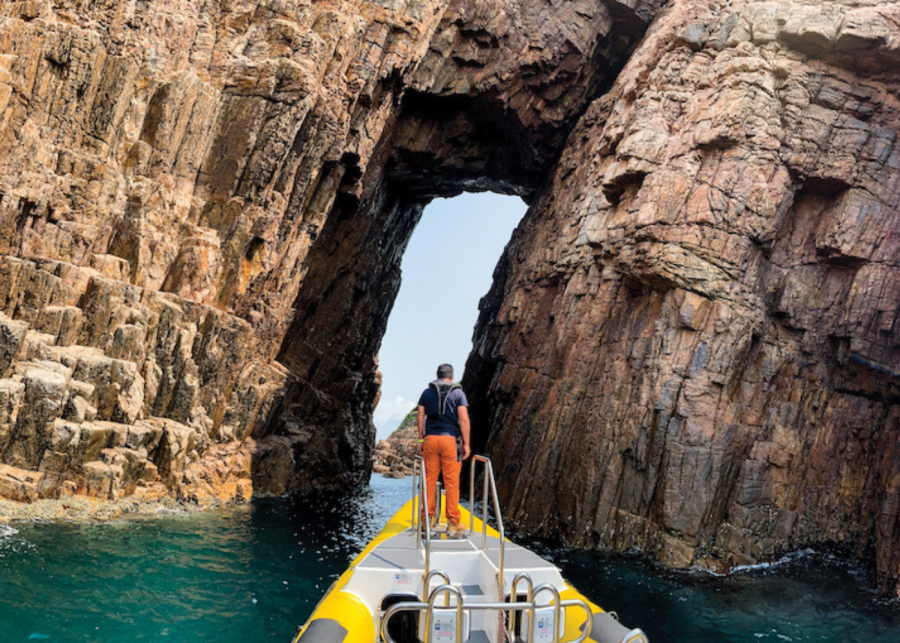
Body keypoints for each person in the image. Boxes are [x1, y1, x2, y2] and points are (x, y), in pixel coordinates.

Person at [417, 363, 471, 536]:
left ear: (437, 375)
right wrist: (466, 444)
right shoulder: (458, 393)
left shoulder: (427, 393)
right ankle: (453, 523)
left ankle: (426, 521)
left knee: (429, 481)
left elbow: (420, 416)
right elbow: (463, 419)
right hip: (450, 441)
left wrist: (421, 439)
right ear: (452, 377)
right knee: (451, 482)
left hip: (431, 440)